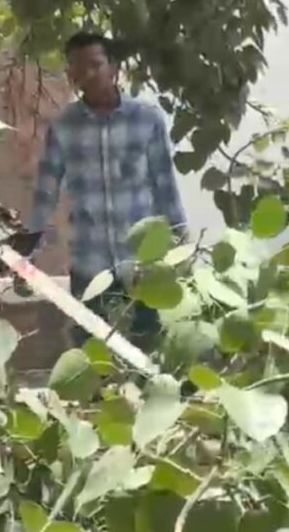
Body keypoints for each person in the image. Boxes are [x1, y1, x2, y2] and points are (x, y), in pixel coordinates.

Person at [29, 31, 187, 350]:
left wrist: (180, 243)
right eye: (77, 67)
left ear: (114, 67)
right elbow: (46, 190)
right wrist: (27, 247)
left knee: (147, 344)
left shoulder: (147, 119)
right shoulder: (64, 126)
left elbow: (164, 185)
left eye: (95, 64)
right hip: (89, 261)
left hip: (142, 260)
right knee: (90, 348)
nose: (86, 74)